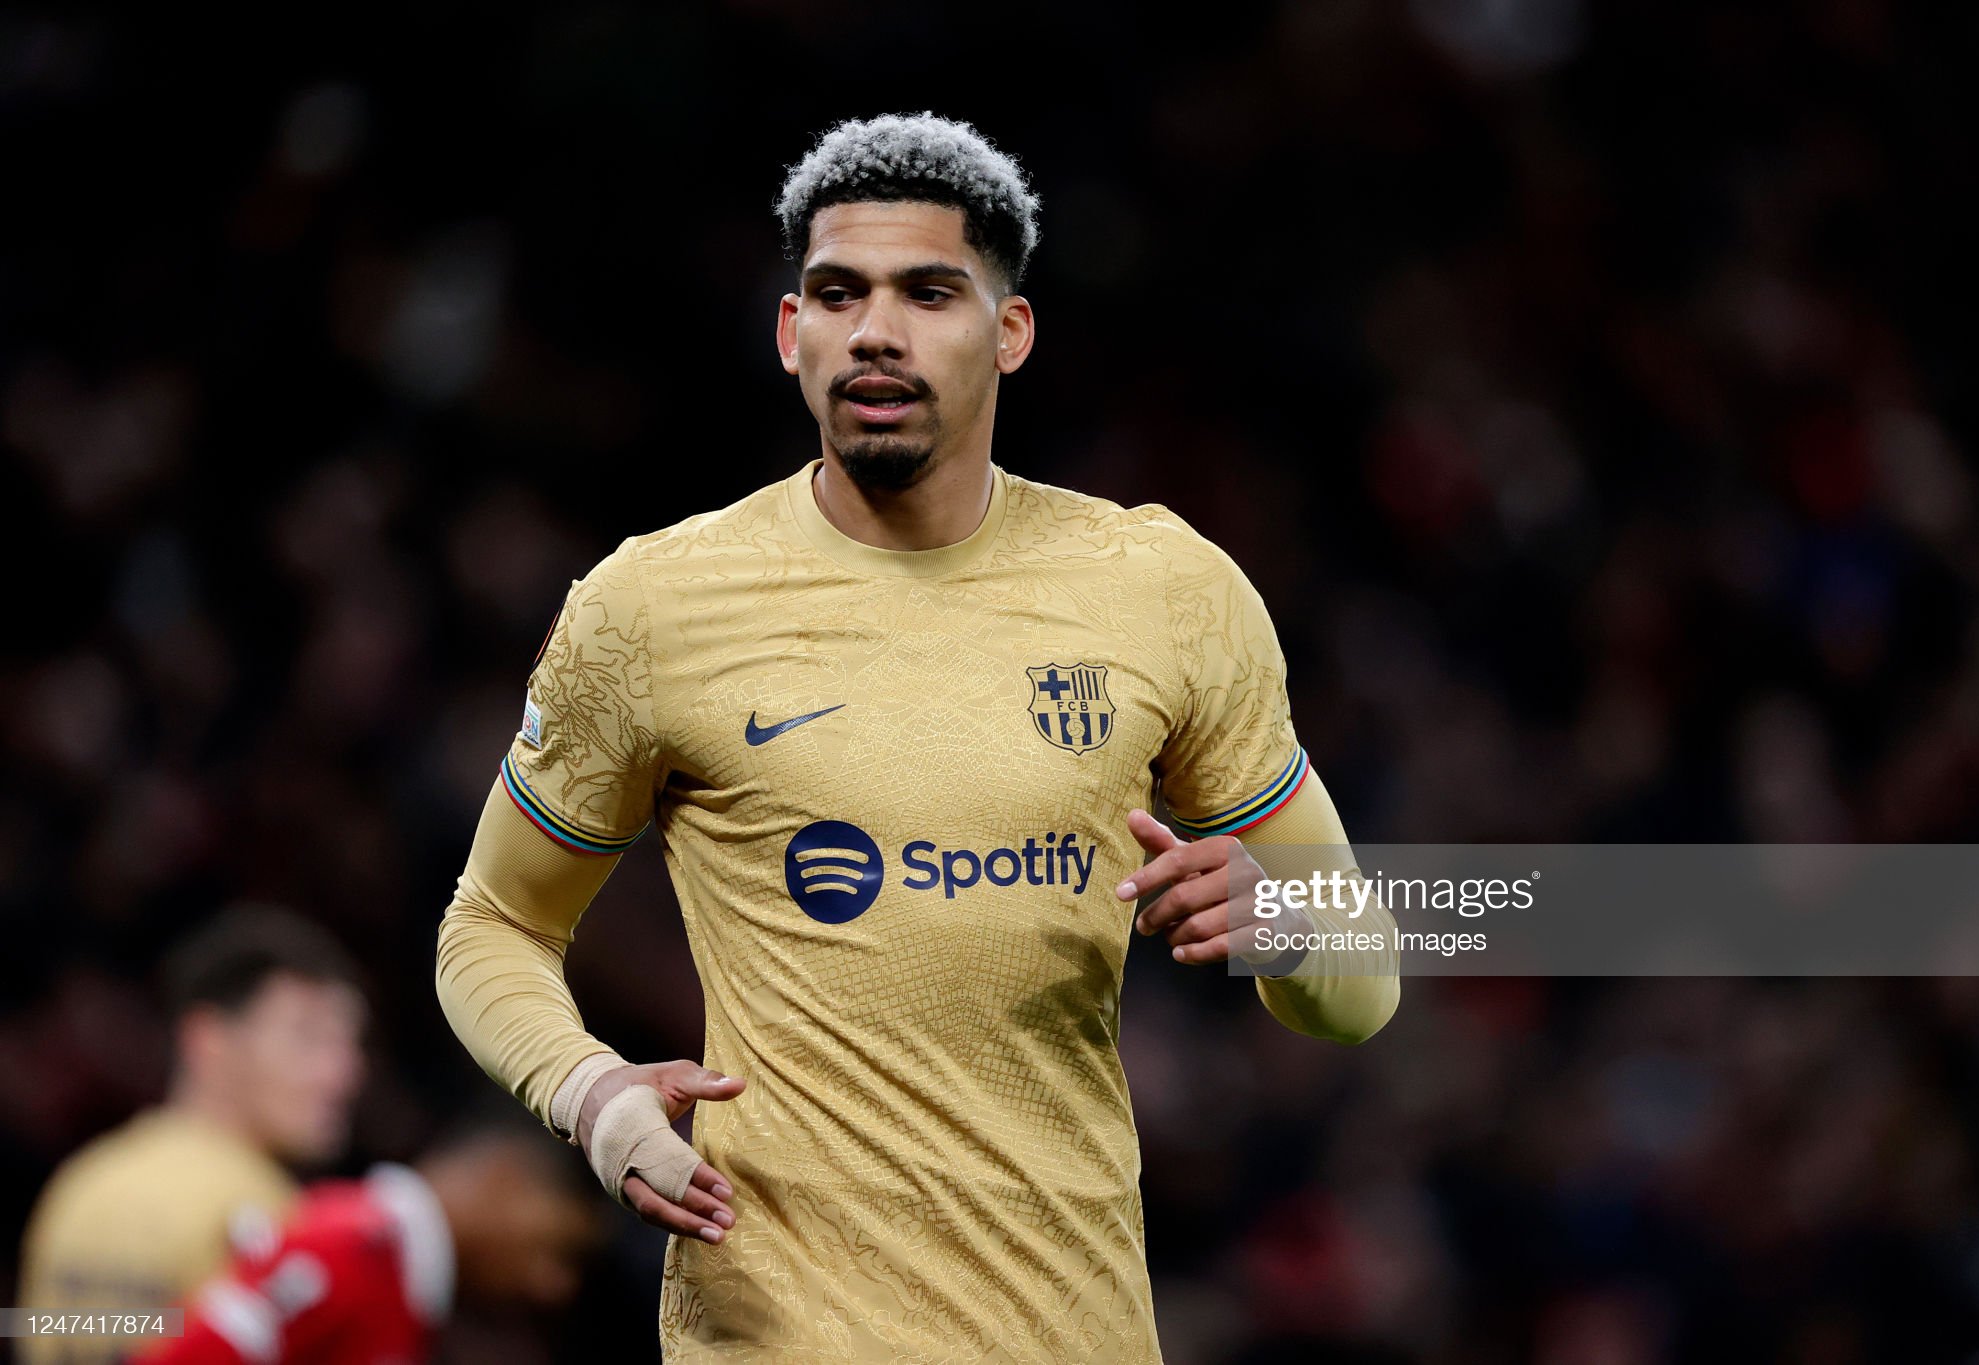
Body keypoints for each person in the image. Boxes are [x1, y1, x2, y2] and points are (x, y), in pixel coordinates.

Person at [435, 110, 1401, 1362]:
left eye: (927, 293)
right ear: (791, 334)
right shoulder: (651, 607)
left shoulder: (1164, 589)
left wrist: (1283, 922)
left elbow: (1361, 986)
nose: (874, 331)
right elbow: (492, 923)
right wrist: (591, 1091)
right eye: (838, 294)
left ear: (1010, 332)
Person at [17, 906, 367, 1365]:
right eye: (308, 1037)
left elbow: (33, 1330)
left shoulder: (80, 1184)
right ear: (208, 1040)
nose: (344, 1073)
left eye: (349, 1043)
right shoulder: (263, 1217)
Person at [134, 1126, 601, 1365]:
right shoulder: (351, 1246)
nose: (553, 1285)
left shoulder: (399, 1291)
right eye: (558, 1249)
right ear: (506, 1182)